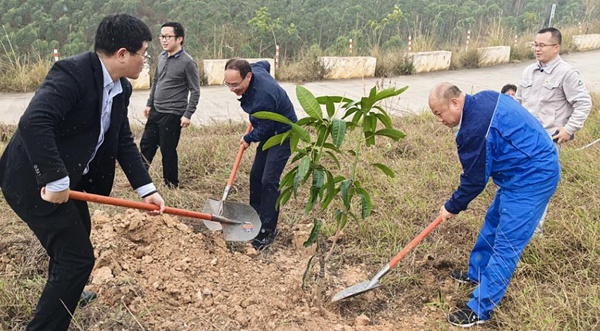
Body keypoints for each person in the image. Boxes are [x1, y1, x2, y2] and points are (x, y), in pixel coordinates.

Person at [0, 14, 165, 331]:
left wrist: (146, 188)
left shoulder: (121, 88)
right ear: (121, 54)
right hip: (33, 181)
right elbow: (34, 122)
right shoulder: (71, 74)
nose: (147, 60)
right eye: (144, 52)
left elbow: (121, 140)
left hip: (68, 179)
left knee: (76, 242)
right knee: (78, 258)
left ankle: (66, 291)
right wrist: (54, 178)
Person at [429, 83, 560, 327]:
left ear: (455, 103)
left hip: (534, 176)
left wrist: (451, 206)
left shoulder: (474, 130)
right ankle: (476, 273)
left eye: (439, 113)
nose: (439, 120)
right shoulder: (485, 97)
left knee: (506, 245)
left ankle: (480, 309)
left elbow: (475, 181)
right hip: (517, 172)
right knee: (493, 223)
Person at [515, 27, 592, 234]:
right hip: (523, 140)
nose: (537, 49)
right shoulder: (529, 71)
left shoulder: (566, 73)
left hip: (547, 141)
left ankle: (534, 232)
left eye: (542, 45)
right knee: (518, 183)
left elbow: (583, 103)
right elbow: (519, 103)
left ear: (556, 47)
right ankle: (517, 226)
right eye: (535, 45)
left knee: (539, 186)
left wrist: (569, 129)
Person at [223, 58, 297, 250]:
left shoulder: (262, 97)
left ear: (248, 77)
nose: (232, 89)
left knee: (268, 180)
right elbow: (265, 63)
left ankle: (267, 230)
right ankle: (254, 217)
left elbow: (265, 128)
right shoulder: (255, 69)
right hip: (269, 129)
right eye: (228, 84)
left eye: (235, 84)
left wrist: (248, 138)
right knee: (256, 176)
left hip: (283, 133)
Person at [140, 22, 200, 188]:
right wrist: (149, 103)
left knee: (168, 150)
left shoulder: (187, 62)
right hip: (156, 110)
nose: (164, 40)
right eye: (161, 36)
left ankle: (171, 184)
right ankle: (139, 180)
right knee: (146, 145)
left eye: (168, 36)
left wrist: (188, 114)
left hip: (173, 113)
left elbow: (195, 90)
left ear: (179, 39)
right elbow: (156, 81)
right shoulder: (162, 56)